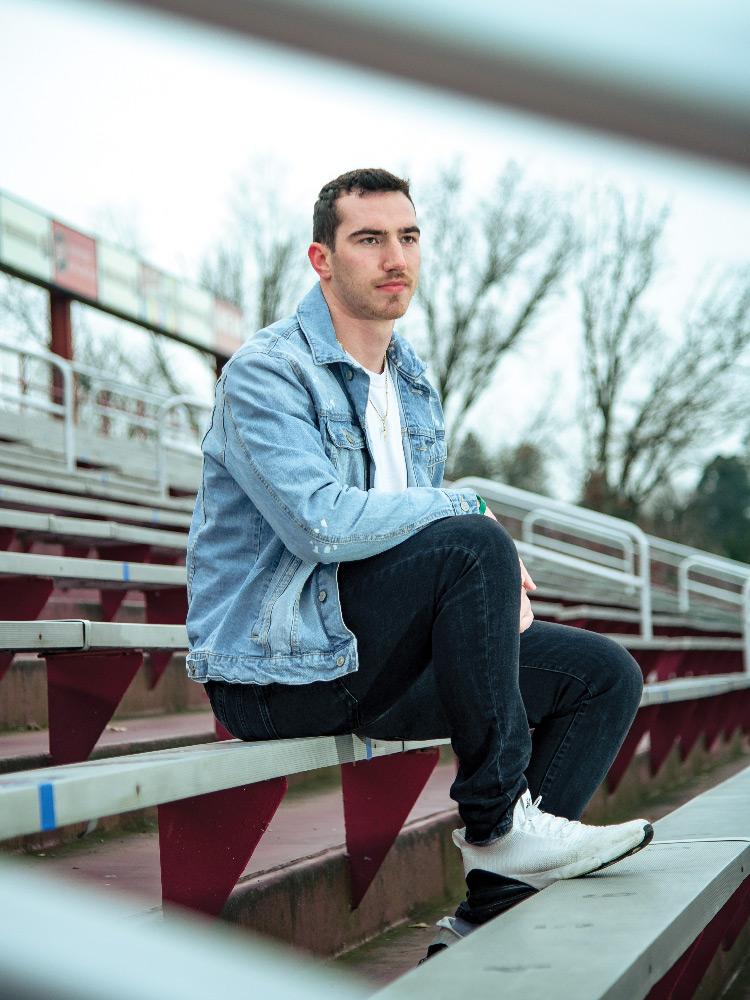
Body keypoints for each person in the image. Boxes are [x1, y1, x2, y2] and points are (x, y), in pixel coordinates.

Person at [186, 167, 652, 951]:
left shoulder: (409, 382)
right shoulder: (266, 372)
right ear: (321, 260)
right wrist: (468, 517)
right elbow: (323, 528)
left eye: (407, 237)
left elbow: (412, 540)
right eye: (368, 239)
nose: (394, 255)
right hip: (276, 673)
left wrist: (485, 574)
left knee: (603, 676)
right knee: (470, 534)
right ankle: (499, 820)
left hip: (369, 656)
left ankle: (487, 921)